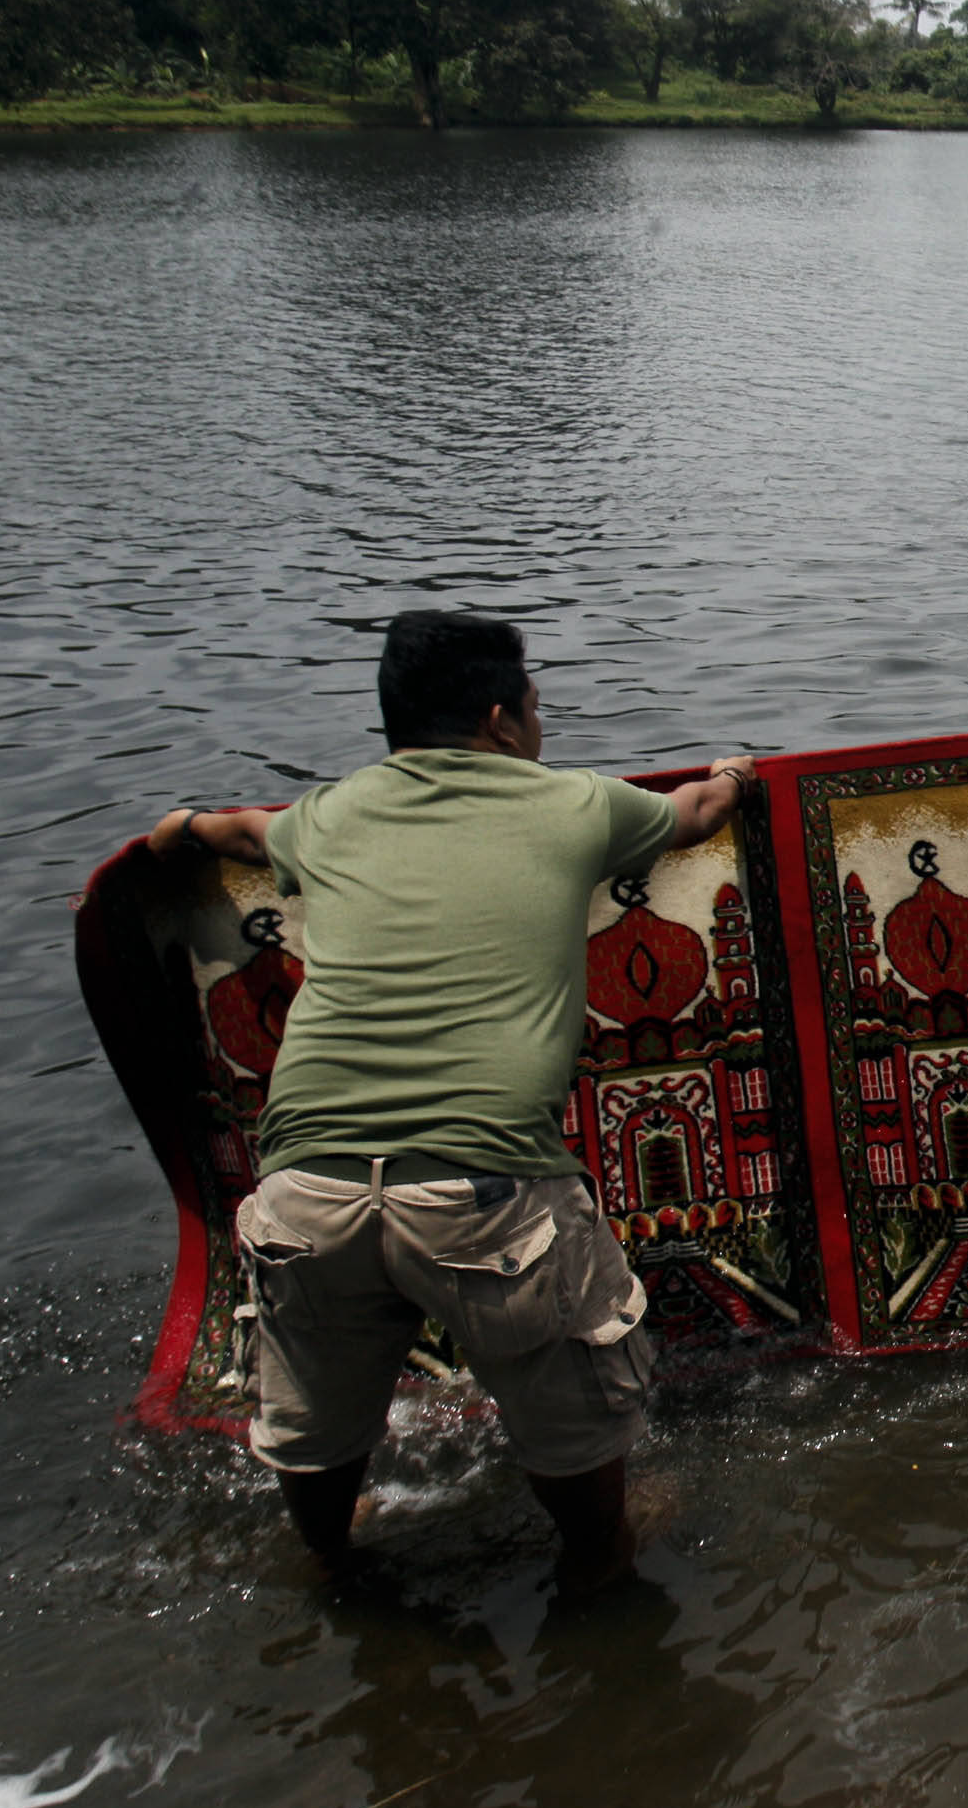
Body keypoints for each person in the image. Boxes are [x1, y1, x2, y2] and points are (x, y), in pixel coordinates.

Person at [151, 610, 755, 1581]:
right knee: (592, 1496)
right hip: (488, 1193)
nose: (539, 727)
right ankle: (600, 1578)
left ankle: (327, 1564)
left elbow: (234, 829)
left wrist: (176, 829)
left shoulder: (328, 816)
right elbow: (693, 814)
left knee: (316, 1455)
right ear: (500, 721)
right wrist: (735, 772)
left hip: (304, 1188)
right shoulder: (569, 805)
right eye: (535, 707)